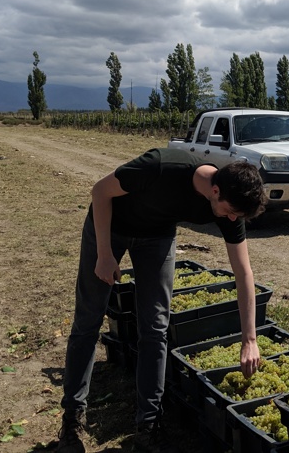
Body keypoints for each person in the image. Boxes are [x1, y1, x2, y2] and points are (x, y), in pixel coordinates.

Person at [56, 148, 267, 453]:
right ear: (215, 190)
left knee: (155, 329)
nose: (232, 218)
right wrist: (104, 254)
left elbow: (243, 273)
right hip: (110, 226)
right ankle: (72, 421)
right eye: (231, 211)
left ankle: (148, 426)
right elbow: (100, 191)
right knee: (88, 321)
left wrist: (250, 339)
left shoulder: (232, 198)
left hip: (156, 237)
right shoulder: (161, 166)